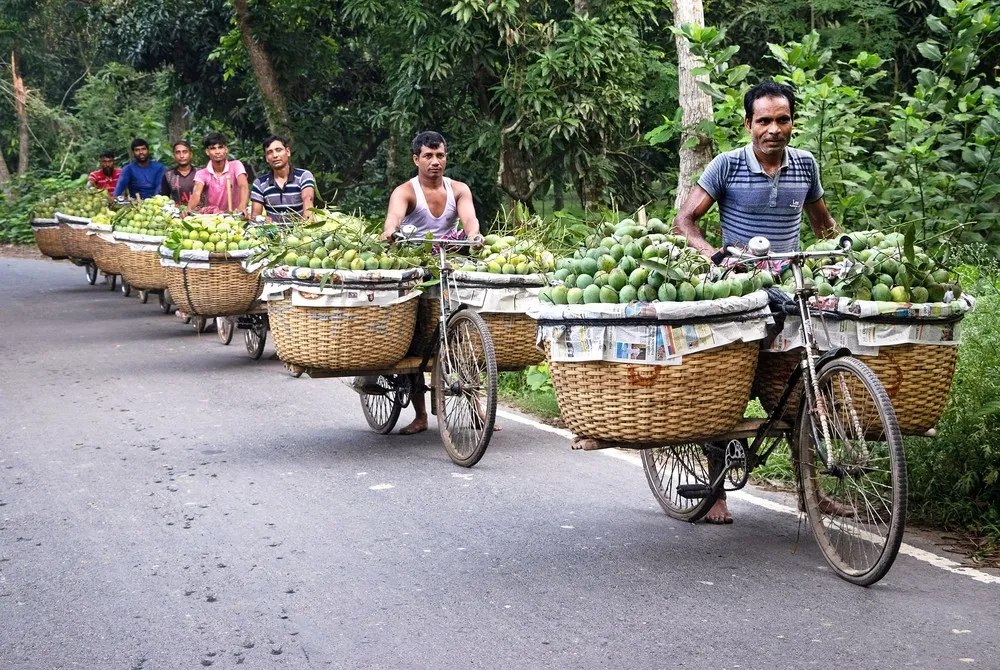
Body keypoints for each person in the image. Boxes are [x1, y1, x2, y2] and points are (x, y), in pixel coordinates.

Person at [672, 80, 840, 525]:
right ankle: (715, 491)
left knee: (796, 391)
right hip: (737, 289)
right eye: (763, 120)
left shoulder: (805, 166)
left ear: (792, 123)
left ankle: (810, 492)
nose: (773, 129)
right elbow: (684, 221)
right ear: (748, 124)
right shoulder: (725, 166)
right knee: (724, 386)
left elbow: (823, 226)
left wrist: (846, 255)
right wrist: (714, 255)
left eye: (782, 119)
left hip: (788, 286)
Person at [381, 131, 482, 436]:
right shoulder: (406, 191)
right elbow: (393, 218)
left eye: (440, 156)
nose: (435, 162)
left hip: (447, 264)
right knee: (413, 337)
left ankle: (478, 408)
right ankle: (421, 415)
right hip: (417, 266)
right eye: (428, 156)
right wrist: (391, 232)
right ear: (416, 159)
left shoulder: (459, 189)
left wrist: (474, 237)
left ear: (446, 157)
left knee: (462, 334)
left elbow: (469, 220)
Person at [250, 135, 316, 223]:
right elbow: (254, 216)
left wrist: (307, 224)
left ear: (288, 152)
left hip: (301, 232)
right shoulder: (260, 183)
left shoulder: (303, 176)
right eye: (270, 152)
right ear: (266, 158)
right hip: (273, 233)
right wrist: (262, 219)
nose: (275, 155)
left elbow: (308, 200)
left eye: (278, 150)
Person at [187, 132, 249, 214]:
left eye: (220, 147)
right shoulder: (201, 174)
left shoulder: (236, 165)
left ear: (226, 149)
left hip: (236, 216)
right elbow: (196, 193)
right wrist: (188, 210)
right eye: (213, 148)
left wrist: (242, 206)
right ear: (207, 151)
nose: (217, 152)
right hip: (213, 219)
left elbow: (243, 186)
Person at [160, 140, 198, 206]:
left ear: (190, 154)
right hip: (177, 213)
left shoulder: (200, 173)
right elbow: (164, 198)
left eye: (185, 152)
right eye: (178, 152)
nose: (181, 156)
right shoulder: (168, 175)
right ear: (174, 155)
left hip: (199, 214)